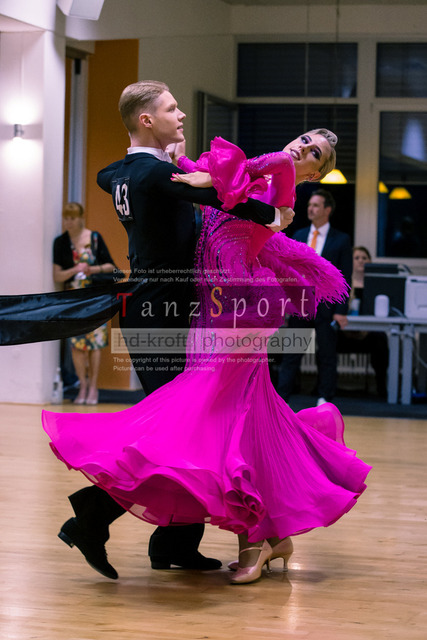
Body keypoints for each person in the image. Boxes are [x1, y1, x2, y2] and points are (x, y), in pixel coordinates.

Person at [42, 132, 371, 585]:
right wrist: (186, 166)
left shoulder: (281, 182)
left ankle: (239, 536)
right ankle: (259, 537)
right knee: (227, 427)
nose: (302, 148)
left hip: (237, 316)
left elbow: (260, 167)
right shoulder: (249, 181)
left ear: (315, 174)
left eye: (314, 153)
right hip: (206, 313)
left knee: (197, 420)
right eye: (304, 139)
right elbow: (215, 181)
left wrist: (209, 174)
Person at [51, 80, 295, 581]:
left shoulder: (128, 172)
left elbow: (104, 174)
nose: (181, 115)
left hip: (157, 308)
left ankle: (175, 542)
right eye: (171, 109)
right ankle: (91, 518)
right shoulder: (151, 174)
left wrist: (170, 159)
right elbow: (225, 200)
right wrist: (272, 216)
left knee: (188, 429)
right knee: (175, 431)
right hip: (158, 313)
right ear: (146, 119)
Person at [277, 189, 353, 405]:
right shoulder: (299, 235)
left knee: (327, 354)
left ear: (327, 210)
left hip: (326, 305)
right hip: (300, 303)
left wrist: (341, 311)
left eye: (316, 205)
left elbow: (345, 277)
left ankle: (324, 398)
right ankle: (281, 400)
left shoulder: (341, 240)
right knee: (292, 354)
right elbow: (287, 272)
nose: (310, 209)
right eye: (310, 205)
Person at [53, 202, 116, 405]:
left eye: (72, 218)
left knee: (95, 343)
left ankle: (93, 387)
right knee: (77, 345)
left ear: (81, 218)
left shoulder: (94, 238)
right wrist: (75, 269)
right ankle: (82, 385)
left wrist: (92, 269)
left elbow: (111, 266)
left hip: (95, 297)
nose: (68, 222)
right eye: (66, 218)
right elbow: (57, 275)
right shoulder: (61, 242)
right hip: (74, 300)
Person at [337, 246, 389, 398]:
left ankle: (382, 387)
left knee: (381, 340)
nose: (361, 261)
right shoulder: (342, 283)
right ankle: (324, 386)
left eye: (364, 258)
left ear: (370, 261)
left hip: (368, 335)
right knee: (326, 339)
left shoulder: (376, 285)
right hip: (344, 333)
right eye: (357, 258)